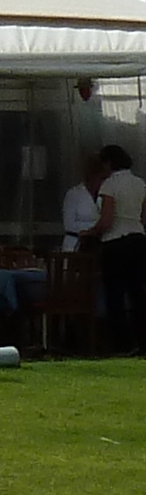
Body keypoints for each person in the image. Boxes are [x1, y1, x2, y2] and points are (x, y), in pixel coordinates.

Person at [98, 148, 146, 354]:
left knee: (115, 294)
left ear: (109, 163)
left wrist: (90, 231)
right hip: (137, 238)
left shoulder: (110, 184)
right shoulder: (140, 183)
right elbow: (143, 218)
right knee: (138, 293)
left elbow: (107, 220)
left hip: (115, 242)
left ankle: (122, 343)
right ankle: (142, 340)